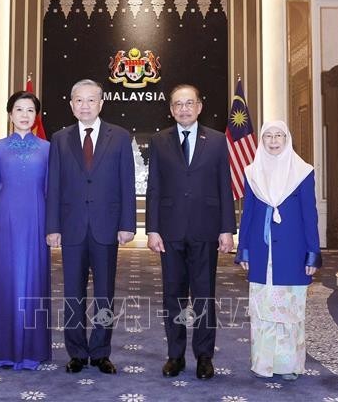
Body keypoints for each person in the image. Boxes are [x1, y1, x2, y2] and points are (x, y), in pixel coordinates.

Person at [146, 84, 236, 380]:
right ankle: (175, 355)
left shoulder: (219, 140)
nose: (183, 109)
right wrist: (152, 229)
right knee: (173, 295)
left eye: (189, 103)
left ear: (199, 106)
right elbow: (154, 188)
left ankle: (204, 356)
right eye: (177, 104)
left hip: (206, 229)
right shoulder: (159, 141)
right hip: (170, 232)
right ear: (171, 109)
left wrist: (227, 228)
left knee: (203, 296)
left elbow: (225, 186)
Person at [46, 79, 136, 375]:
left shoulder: (120, 136)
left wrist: (127, 225)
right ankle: (75, 352)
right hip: (71, 228)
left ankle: (100, 351)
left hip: (106, 227)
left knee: (104, 292)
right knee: (72, 293)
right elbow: (54, 185)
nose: (85, 105)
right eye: (79, 100)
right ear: (71, 105)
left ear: (101, 103)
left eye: (90, 100)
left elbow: (126, 183)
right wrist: (52, 226)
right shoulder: (59, 139)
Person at [235, 120, 321, 381]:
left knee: (290, 311)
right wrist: (244, 250)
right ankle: (263, 363)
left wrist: (312, 253)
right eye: (268, 136)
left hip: (293, 253)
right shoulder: (252, 173)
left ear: (287, 139)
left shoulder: (303, 172)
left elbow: (310, 215)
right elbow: (248, 214)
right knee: (263, 309)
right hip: (262, 252)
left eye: (279, 135)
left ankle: (288, 365)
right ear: (261, 141)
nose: (273, 140)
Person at [0, 91, 51, 370]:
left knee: (33, 281)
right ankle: (1, 351)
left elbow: (50, 191)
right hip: (5, 221)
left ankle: (31, 352)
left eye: (30, 110)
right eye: (19, 109)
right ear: (10, 114)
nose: (24, 115)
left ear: (36, 116)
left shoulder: (47, 148)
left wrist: (52, 227)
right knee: (5, 281)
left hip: (37, 221)